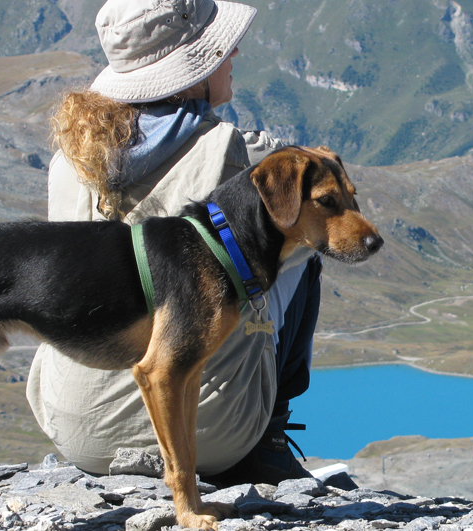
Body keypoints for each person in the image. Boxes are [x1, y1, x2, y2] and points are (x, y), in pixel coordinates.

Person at [25, 0, 320, 486]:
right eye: (219, 47)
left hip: (75, 430)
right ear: (190, 73)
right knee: (302, 245)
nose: (234, 51)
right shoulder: (230, 153)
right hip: (211, 433)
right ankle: (265, 442)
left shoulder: (69, 159)